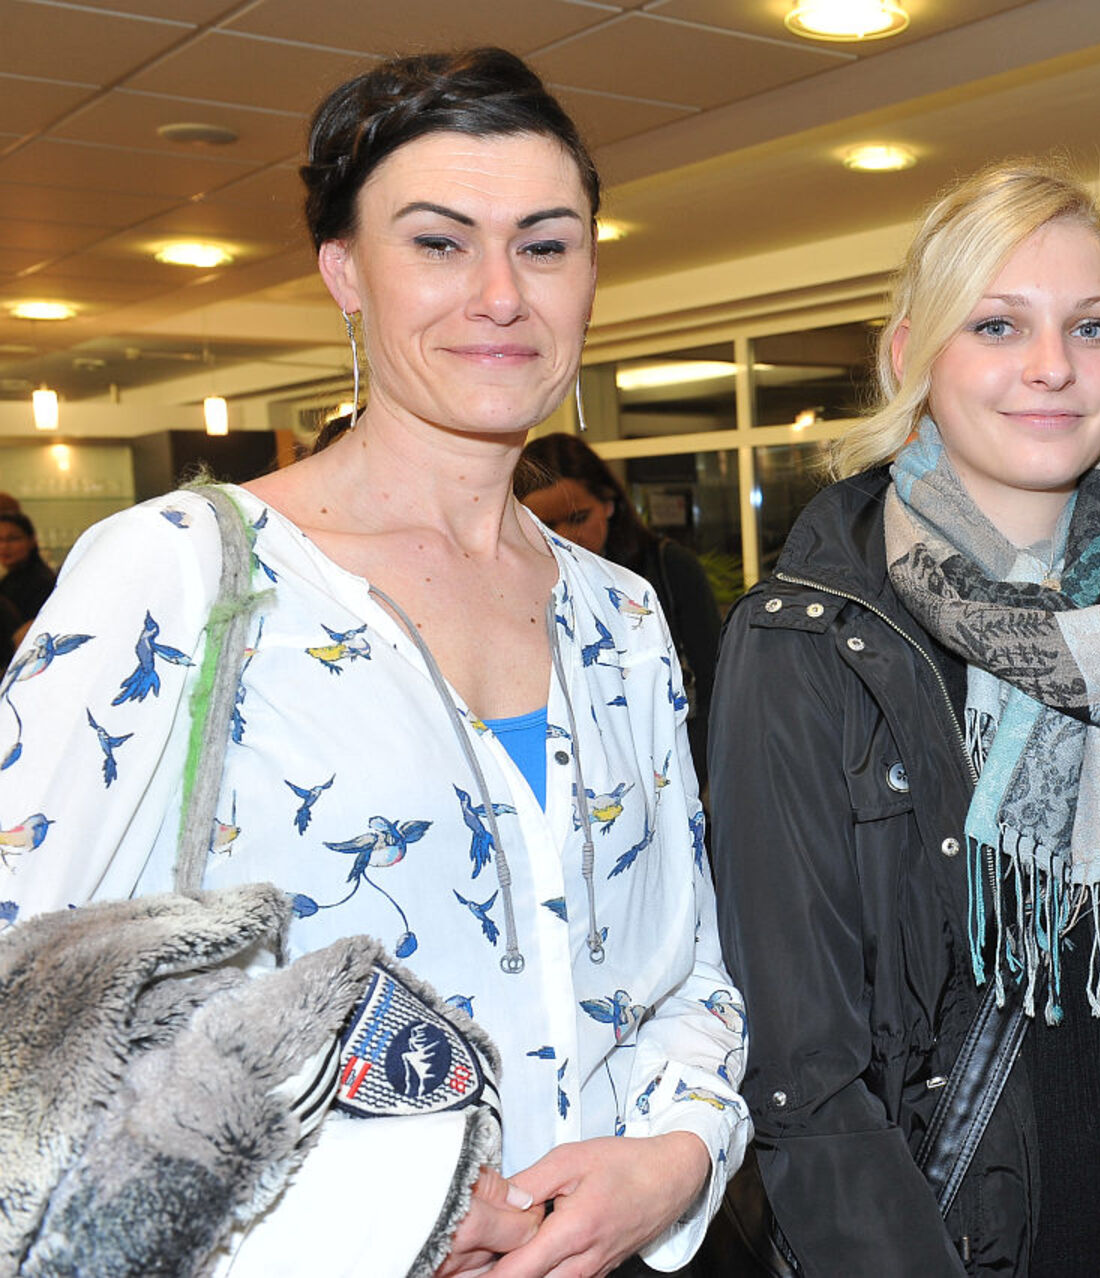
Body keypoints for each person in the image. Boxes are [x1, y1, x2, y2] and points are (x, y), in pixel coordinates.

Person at [0, 48, 747, 1278]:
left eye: (546, 245)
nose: (501, 294)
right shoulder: (184, 575)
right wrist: (381, 1203)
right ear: (345, 271)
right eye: (439, 243)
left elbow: (687, 968)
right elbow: (27, 1015)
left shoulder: (622, 613)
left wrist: (678, 1156)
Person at [706, 161, 1100, 1277]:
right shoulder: (802, 640)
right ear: (910, 358)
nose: (1053, 365)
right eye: (998, 324)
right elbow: (802, 1068)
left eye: (1092, 326)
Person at [517, 434, 722, 781]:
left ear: (609, 504)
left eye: (578, 517)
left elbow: (715, 685)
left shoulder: (670, 569)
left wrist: (688, 776)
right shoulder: (511, 590)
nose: (564, 536)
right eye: (544, 525)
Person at [0, 511, 56, 625]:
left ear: (31, 541)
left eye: (13, 539)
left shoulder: (41, 583)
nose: (4, 546)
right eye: (0, 540)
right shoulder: (10, 579)